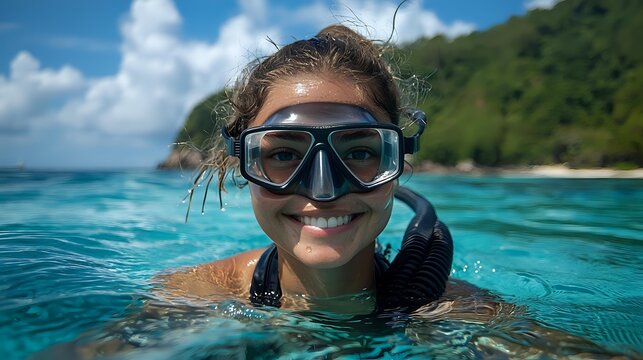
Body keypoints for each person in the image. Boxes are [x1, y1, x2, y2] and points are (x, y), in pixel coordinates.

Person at [160, 24, 457, 313]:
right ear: (243, 163)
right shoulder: (189, 296)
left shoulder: (464, 313)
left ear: (397, 162)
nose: (323, 191)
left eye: (359, 152)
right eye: (284, 154)